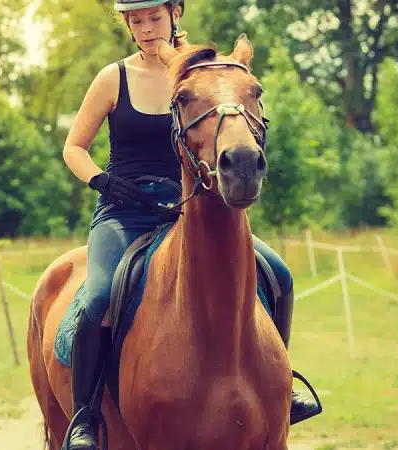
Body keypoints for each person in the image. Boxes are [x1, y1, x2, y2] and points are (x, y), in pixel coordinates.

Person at [60, 1, 320, 448]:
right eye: (135, 20)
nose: (145, 28)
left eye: (154, 18)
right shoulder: (113, 78)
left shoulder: (199, 73)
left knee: (279, 274)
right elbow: (74, 148)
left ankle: (280, 385)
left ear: (175, 13)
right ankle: (85, 415)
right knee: (99, 296)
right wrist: (103, 181)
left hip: (188, 207)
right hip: (125, 212)